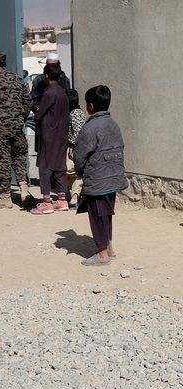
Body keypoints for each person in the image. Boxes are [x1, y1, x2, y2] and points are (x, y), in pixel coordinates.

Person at [73, 85, 128, 266]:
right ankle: (109, 248)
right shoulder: (114, 124)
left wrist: (81, 172)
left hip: (97, 180)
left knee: (97, 215)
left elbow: (80, 155)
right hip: (113, 177)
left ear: (90, 106)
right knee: (106, 214)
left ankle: (102, 254)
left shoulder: (90, 128)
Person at [0, 51, 33, 209]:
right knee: (19, 158)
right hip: (17, 128)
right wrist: (20, 117)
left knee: (2, 161)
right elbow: (28, 101)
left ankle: (5, 196)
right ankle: (24, 190)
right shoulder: (17, 78)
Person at [31, 63, 70, 214]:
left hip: (49, 135)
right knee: (60, 167)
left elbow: (39, 114)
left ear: (46, 75)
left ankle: (46, 202)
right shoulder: (63, 92)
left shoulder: (49, 93)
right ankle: (61, 200)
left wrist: (36, 110)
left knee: (45, 167)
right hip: (62, 135)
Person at [66, 89, 87, 207]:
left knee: (75, 172)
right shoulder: (75, 112)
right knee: (70, 172)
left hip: (76, 148)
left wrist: (72, 147)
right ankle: (73, 195)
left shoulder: (75, 113)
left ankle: (75, 197)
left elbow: (78, 132)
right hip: (74, 147)